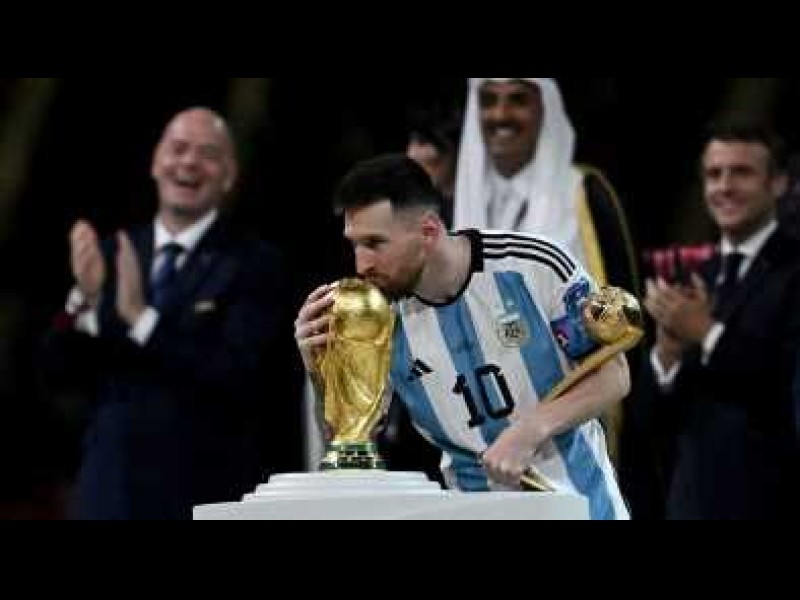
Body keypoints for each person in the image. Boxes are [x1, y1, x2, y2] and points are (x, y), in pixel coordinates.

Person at [296, 154, 631, 520]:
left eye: (375, 243)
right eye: (354, 245)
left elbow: (613, 374)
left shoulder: (533, 266)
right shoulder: (375, 318)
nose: (361, 265)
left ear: (428, 232)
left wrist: (532, 428)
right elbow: (349, 445)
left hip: (585, 507)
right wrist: (324, 376)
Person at [43, 108, 290, 520]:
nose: (189, 162)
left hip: (201, 492)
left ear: (229, 176)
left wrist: (142, 320)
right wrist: (82, 300)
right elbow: (56, 373)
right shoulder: (112, 253)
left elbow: (237, 373)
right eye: (178, 148)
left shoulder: (254, 264)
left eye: (207, 154)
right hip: (107, 491)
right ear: (156, 162)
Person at [644, 120, 800, 519]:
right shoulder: (696, 278)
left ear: (778, 183)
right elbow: (658, 421)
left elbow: (785, 386)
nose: (724, 186)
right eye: (714, 174)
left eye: (742, 172)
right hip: (690, 504)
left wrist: (706, 332)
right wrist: (667, 356)